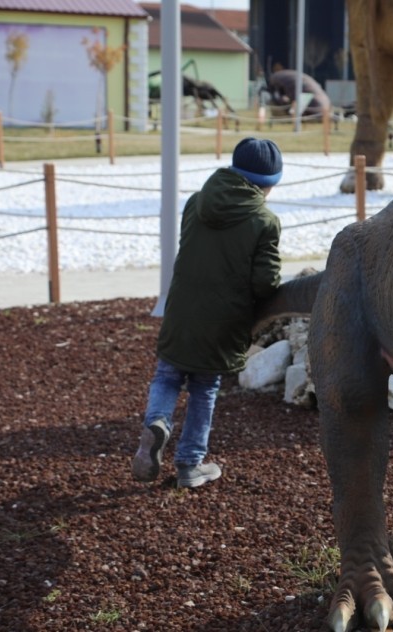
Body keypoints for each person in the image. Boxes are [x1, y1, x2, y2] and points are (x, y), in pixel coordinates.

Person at [131, 138, 284, 489]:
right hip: (223, 321)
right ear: (268, 183)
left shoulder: (196, 202)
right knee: (205, 387)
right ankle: (189, 464)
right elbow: (265, 283)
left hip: (181, 310)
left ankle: (157, 422)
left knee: (167, 376)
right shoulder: (264, 220)